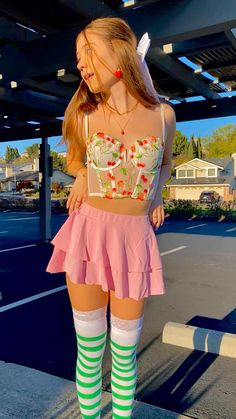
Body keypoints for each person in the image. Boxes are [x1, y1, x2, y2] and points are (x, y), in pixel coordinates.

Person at [46, 16, 176, 419]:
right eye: (78, 57)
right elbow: (71, 158)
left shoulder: (163, 116)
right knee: (89, 350)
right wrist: (83, 173)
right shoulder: (83, 115)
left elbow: (167, 164)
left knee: (124, 353)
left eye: (89, 52)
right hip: (88, 233)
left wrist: (155, 195)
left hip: (133, 239)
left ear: (120, 49)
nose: (81, 64)